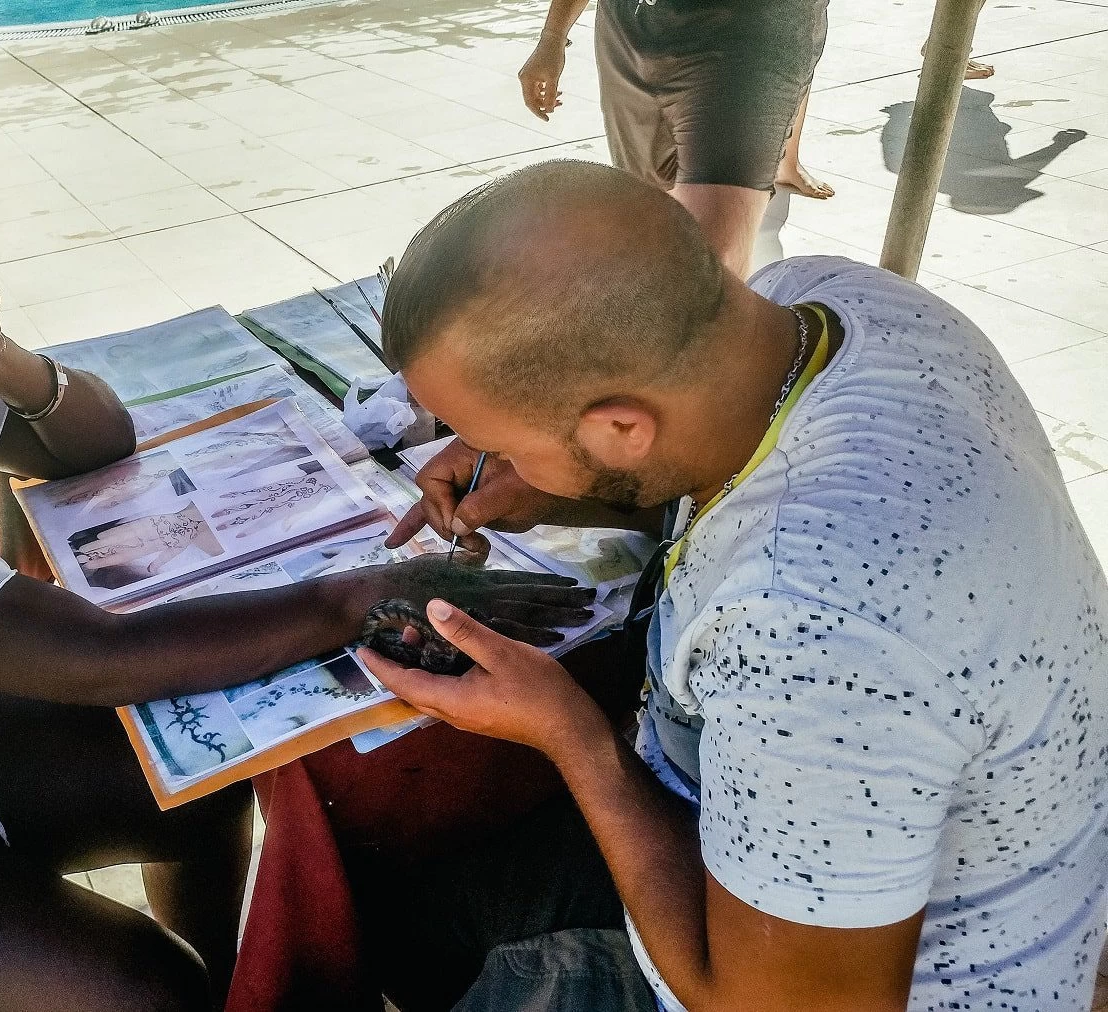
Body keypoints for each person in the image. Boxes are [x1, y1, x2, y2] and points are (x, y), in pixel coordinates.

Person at [0, 28, 594, 1012]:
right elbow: (101, 654)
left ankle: (227, 991)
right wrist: (351, 598)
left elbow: (93, 442)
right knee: (140, 989)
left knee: (206, 781)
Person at [375, 160, 1108, 1009]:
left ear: (621, 427)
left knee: (423, 929)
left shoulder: (811, 630)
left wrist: (569, 730)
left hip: (902, 977)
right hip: (854, 846)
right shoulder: (826, 299)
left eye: (492, 438)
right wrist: (561, 473)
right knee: (425, 902)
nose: (481, 460)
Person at [518, 0, 828, 273]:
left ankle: (785, 159)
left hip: (744, 30)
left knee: (715, 259)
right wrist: (552, 37)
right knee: (649, 199)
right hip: (629, 29)